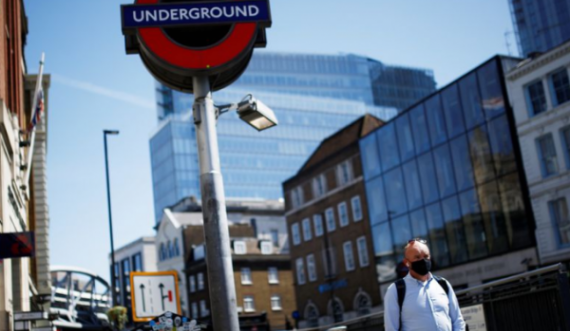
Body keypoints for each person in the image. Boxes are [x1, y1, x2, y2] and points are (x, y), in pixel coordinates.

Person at [384, 239, 466, 331]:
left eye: (426, 256)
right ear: (407, 262)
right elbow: (391, 328)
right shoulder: (396, 290)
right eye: (417, 257)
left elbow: (458, 321)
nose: (423, 260)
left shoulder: (443, 284)